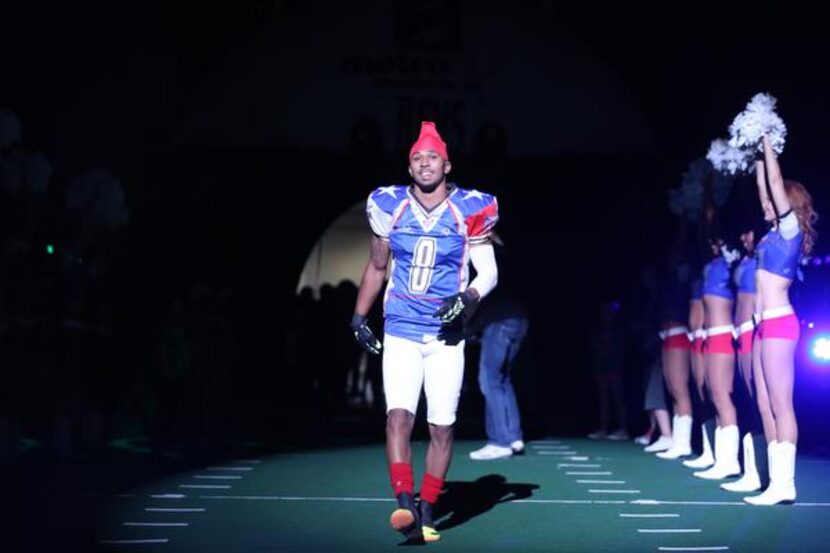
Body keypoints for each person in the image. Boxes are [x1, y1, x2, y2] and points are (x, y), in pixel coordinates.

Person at [350, 121, 499, 541]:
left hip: (445, 335)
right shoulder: (389, 204)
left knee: (442, 426)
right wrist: (359, 316)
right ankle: (404, 505)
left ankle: (429, 510)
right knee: (397, 416)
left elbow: (488, 272)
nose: (424, 163)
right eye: (417, 157)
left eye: (431, 156)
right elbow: (378, 266)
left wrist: (467, 298)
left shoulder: (470, 208)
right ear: (409, 167)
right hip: (400, 326)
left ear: (447, 164)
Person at [744, 135, 817, 505]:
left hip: (779, 324)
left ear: (788, 202)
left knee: (780, 402)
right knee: (764, 403)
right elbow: (763, 185)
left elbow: (773, 183)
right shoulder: (772, 232)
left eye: (775, 201)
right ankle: (775, 482)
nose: (768, 205)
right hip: (761, 327)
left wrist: (770, 142)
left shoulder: (790, 232)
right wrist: (757, 151)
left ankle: (786, 484)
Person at [466, 244, 529, 460]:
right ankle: (513, 437)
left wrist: (466, 327)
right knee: (502, 380)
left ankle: (499, 441)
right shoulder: (507, 256)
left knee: (489, 380)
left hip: (500, 322)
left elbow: (477, 298)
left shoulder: (483, 256)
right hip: (519, 319)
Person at [691, 233, 741, 480]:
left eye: (717, 241)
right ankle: (721, 459)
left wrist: (727, 248)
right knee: (714, 396)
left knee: (722, 396)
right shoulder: (711, 266)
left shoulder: (731, 263)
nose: (713, 244)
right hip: (710, 335)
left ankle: (730, 461)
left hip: (722, 334)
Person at [586, 300, 628, 440]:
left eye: (608, 311)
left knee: (618, 396)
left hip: (615, 365)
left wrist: (608, 348)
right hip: (601, 365)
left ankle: (622, 428)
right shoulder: (598, 327)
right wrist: (601, 347)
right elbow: (591, 343)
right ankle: (603, 428)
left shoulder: (618, 328)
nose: (606, 314)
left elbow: (620, 346)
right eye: (603, 311)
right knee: (603, 397)